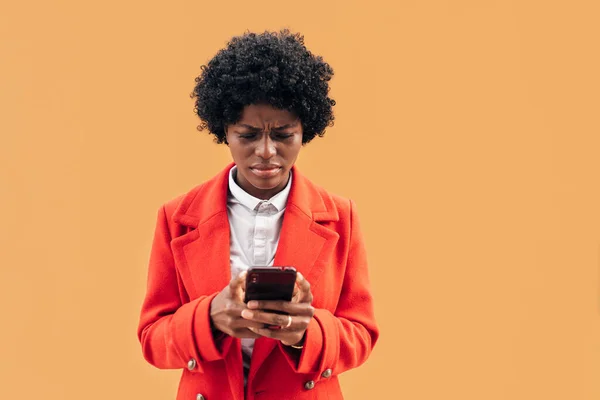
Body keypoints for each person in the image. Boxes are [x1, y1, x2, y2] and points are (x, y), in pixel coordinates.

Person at [137, 29, 379, 400]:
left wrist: (305, 334)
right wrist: (210, 318)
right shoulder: (176, 216)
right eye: (248, 135)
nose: (266, 151)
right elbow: (152, 339)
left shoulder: (341, 216)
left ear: (306, 131)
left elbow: (361, 334)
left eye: (283, 135)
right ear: (225, 131)